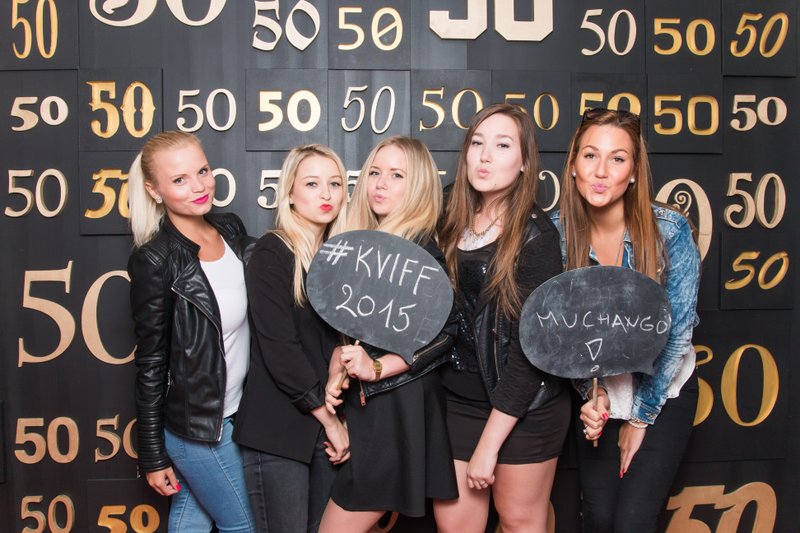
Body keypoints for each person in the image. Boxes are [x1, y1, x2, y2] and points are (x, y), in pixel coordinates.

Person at [552, 107, 701, 532]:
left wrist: (640, 418)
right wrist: (591, 394)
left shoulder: (669, 231)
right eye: (590, 155)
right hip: (601, 396)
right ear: (574, 165)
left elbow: (677, 335)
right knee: (599, 519)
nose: (601, 171)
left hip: (663, 394)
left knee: (631, 523)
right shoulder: (555, 233)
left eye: (617, 158)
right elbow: (558, 336)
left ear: (634, 171)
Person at [434, 103, 569, 533]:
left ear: (525, 162)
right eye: (477, 143)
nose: (485, 156)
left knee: (518, 522)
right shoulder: (445, 213)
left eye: (503, 145)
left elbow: (531, 355)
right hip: (456, 400)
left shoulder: (536, 238)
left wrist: (489, 446)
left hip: (523, 407)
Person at [319, 136, 458, 532]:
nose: (380, 183)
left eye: (397, 175)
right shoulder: (369, 245)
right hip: (376, 409)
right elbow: (355, 334)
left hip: (398, 410)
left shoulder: (421, 253)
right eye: (375, 173)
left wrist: (377, 368)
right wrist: (339, 365)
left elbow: (446, 334)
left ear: (418, 186)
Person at [127, 131, 256, 532]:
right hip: (198, 429)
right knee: (246, 525)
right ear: (154, 190)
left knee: (192, 521)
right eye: (180, 179)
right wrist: (152, 454)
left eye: (203, 171)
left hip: (237, 414)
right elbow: (151, 361)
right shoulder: (154, 259)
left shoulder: (230, 229)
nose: (199, 186)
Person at [233, 144, 351, 533]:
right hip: (278, 431)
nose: (326, 194)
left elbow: (334, 341)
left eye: (335, 183)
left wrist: (337, 367)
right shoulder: (273, 252)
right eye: (312, 184)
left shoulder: (337, 259)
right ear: (289, 193)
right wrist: (331, 422)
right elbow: (279, 349)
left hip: (321, 430)